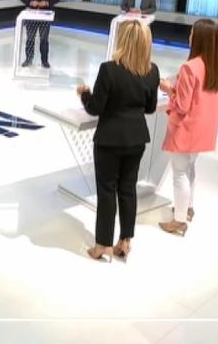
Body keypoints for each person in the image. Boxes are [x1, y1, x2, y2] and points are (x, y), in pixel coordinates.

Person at [76, 20, 160, 262]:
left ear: (123, 41)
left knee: (107, 190)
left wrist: (84, 94)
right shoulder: (152, 71)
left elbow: (95, 108)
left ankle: (102, 244)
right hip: (136, 139)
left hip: (110, 139)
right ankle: (125, 241)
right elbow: (150, 107)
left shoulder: (109, 70)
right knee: (127, 189)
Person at [158, 19, 218, 236]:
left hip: (186, 128)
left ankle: (179, 220)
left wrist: (169, 89)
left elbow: (182, 105)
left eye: (192, 33)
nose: (189, 37)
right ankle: (187, 207)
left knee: (179, 172)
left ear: (199, 39)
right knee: (190, 167)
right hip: (205, 129)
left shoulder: (190, 68)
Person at [18, 0, 61, 68]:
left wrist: (47, 3)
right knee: (30, 38)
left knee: (44, 39)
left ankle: (44, 61)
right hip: (31, 15)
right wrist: (30, 2)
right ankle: (28, 59)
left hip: (45, 16)